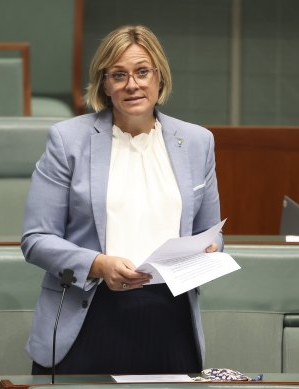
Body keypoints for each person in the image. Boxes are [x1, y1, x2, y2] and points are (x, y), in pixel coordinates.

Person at [22, 24, 222, 375]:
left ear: (159, 77)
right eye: (119, 75)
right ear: (104, 84)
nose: (132, 84)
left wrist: (211, 248)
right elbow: (36, 240)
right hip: (90, 318)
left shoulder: (196, 142)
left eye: (142, 72)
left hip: (171, 323)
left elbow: (212, 231)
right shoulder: (68, 141)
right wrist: (98, 264)